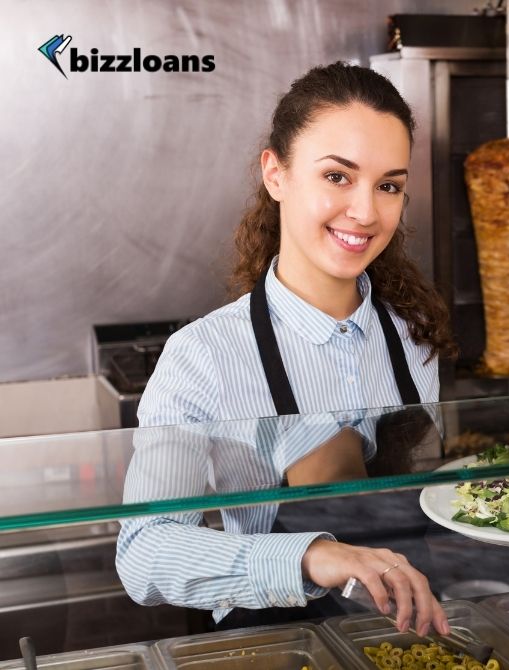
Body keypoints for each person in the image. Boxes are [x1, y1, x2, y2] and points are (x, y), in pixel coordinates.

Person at [116, 62, 455, 636]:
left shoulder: (412, 338)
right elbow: (145, 556)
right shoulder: (205, 354)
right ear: (276, 174)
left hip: (405, 632)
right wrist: (310, 556)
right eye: (337, 177)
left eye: (388, 185)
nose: (367, 213)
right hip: (281, 642)